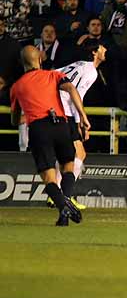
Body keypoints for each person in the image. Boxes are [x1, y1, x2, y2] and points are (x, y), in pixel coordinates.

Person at [7, 46, 88, 226]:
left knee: (48, 177)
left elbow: (14, 120)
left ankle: (63, 206)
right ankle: (64, 209)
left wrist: (26, 113)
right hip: (60, 124)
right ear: (40, 60)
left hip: (38, 128)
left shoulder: (17, 86)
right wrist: (82, 115)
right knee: (68, 166)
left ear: (21, 63)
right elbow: (72, 89)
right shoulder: (53, 76)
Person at [52, 40, 106, 211]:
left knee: (67, 155)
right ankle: (63, 197)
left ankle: (58, 196)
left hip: (54, 109)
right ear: (95, 52)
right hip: (66, 112)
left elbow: (53, 73)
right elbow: (78, 96)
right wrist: (80, 122)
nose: (106, 50)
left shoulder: (77, 64)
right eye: (103, 48)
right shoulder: (91, 71)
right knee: (79, 154)